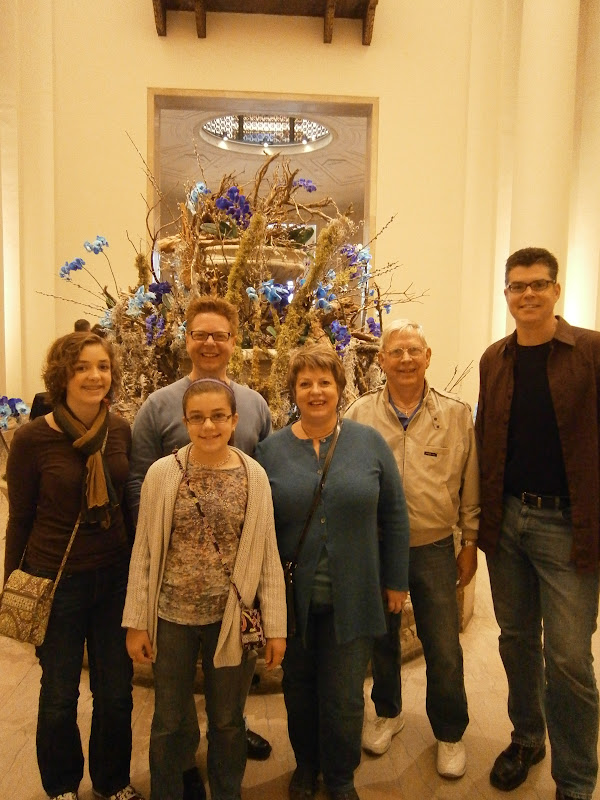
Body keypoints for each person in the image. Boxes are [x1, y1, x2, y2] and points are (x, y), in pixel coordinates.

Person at [125, 296, 273, 798]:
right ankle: (180, 770)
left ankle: (226, 767)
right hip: (174, 593)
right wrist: (155, 543)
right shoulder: (158, 407)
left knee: (228, 709)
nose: (210, 343)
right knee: (170, 713)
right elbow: (140, 487)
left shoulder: (255, 406)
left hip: (232, 593)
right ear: (185, 338)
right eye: (200, 334)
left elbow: (264, 507)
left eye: (220, 335)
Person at [255, 344, 410, 800]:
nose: (316, 391)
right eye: (305, 383)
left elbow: (395, 514)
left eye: (325, 382)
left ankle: (341, 777)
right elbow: (259, 528)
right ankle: (306, 766)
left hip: (355, 596)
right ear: (294, 392)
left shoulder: (369, 443)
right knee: (299, 691)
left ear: (340, 389)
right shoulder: (269, 451)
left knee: (344, 697)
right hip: (292, 603)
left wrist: (396, 581)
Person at [475, 247, 600, 800]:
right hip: (507, 521)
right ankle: (527, 738)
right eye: (517, 286)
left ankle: (575, 780)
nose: (527, 294)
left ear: (556, 290)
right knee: (517, 639)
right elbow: (487, 437)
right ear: (506, 293)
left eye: (538, 284)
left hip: (569, 524)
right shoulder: (494, 359)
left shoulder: (591, 351)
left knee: (569, 658)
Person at [4, 331, 142, 800]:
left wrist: (138, 576)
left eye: (102, 366)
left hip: (114, 580)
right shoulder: (32, 438)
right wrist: (12, 586)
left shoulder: (120, 430)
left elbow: (125, 505)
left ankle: (112, 781)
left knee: (116, 692)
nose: (94, 376)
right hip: (55, 580)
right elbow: (20, 518)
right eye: (81, 367)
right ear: (62, 375)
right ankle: (62, 786)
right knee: (60, 694)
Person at [345, 320, 479, 778]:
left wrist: (470, 541)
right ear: (381, 360)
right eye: (396, 352)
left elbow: (470, 482)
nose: (405, 360)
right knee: (381, 639)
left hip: (433, 546)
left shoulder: (456, 414)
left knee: (443, 645)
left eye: (413, 351)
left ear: (427, 356)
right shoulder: (359, 414)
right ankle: (388, 712)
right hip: (376, 547)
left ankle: (450, 732)